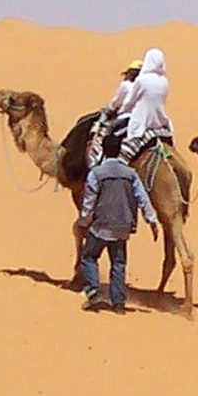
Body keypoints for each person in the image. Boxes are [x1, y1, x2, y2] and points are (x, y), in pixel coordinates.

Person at [76, 133, 159, 313]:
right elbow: (142, 198)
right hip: (123, 227)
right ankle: (119, 303)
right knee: (119, 264)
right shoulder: (130, 174)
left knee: (88, 257)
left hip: (100, 226)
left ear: (103, 151)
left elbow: (89, 201)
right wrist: (151, 220)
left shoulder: (96, 174)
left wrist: (83, 221)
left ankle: (93, 291)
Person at [119, 48, 173, 162]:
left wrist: (122, 110)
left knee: (121, 154)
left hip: (141, 122)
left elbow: (130, 101)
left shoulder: (142, 80)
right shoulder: (164, 81)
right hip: (160, 122)